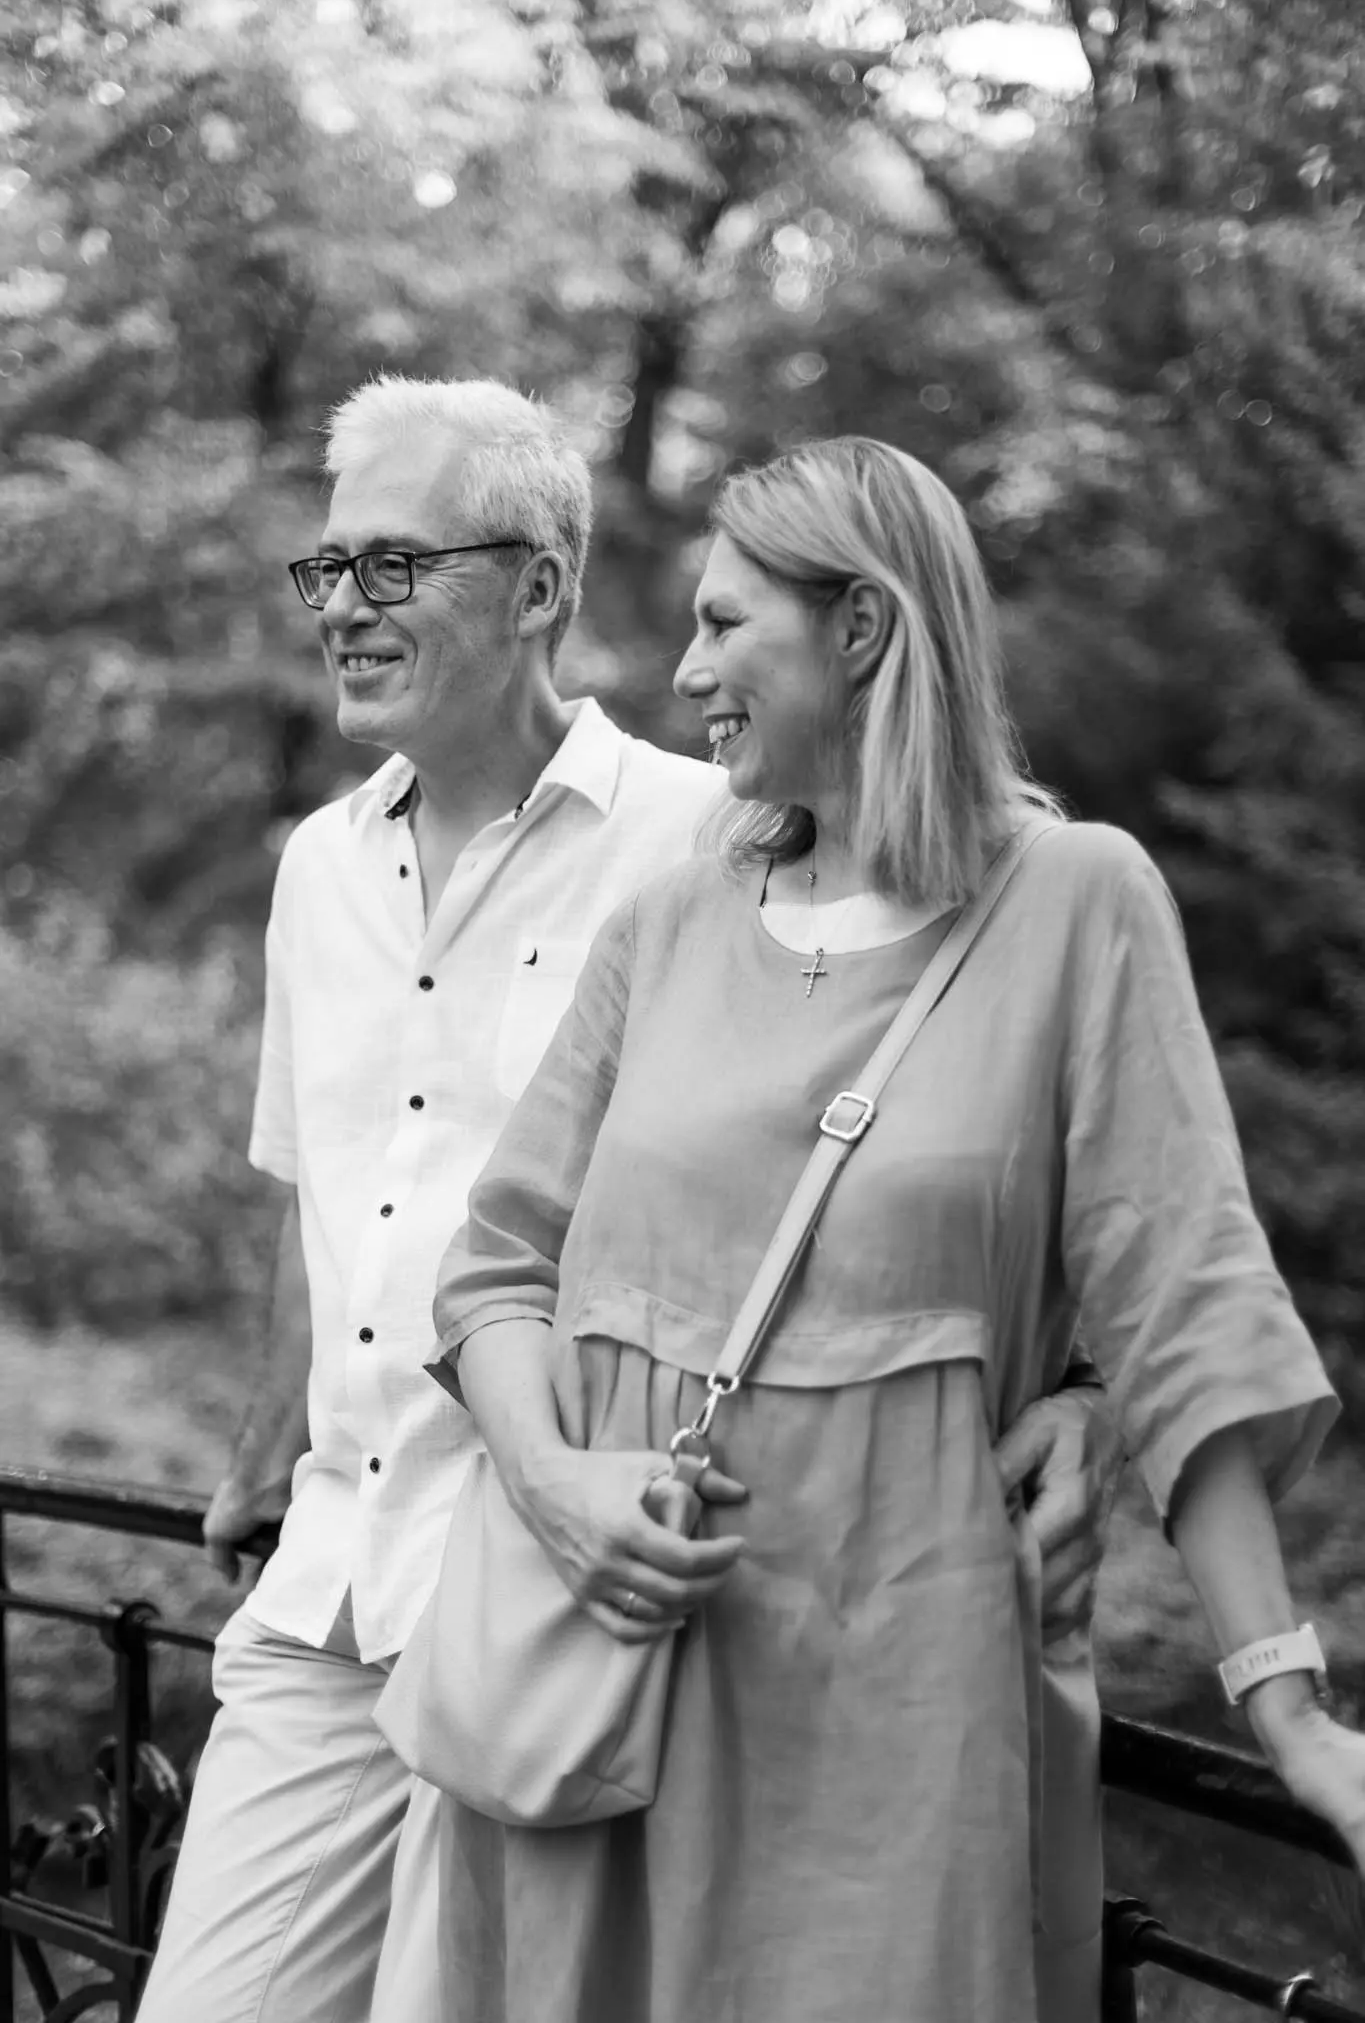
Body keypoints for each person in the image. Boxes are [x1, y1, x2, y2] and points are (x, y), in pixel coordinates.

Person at [135, 384, 1114, 2023]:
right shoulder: (317, 867)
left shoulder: (722, 832)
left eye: (393, 565)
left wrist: (1077, 1385)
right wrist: (263, 1446)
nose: (343, 607)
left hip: (586, 1606)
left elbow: (976, 1098)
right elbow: (329, 1201)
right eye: (329, 569)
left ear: (538, 586)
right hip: (337, 1588)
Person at [427, 435, 1363, 2023]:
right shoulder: (669, 919)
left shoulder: (1077, 900)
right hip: (598, 1688)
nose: (687, 669)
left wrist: (1287, 1711)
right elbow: (497, 1266)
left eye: (726, 623)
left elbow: (1188, 1308)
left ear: (860, 627)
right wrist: (553, 1483)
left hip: (898, 1707)